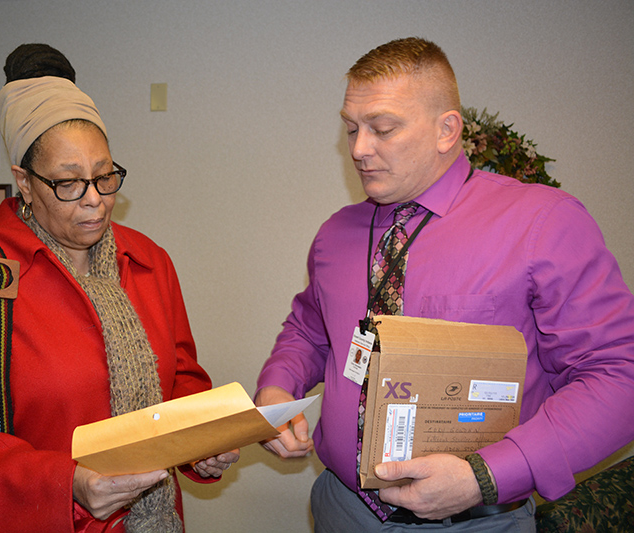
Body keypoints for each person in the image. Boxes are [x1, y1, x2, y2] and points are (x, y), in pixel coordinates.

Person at [255, 37, 634, 532]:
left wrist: (486, 475)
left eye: (382, 128)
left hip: (476, 521)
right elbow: (309, 328)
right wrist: (275, 391)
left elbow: (617, 375)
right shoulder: (336, 234)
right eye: (351, 128)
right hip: (341, 507)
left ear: (446, 130)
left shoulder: (542, 222)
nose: (359, 149)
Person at [0, 43, 238, 533]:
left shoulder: (148, 263)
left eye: (105, 177)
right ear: (24, 181)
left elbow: (181, 383)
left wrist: (202, 443)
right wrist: (68, 485)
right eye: (69, 183)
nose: (96, 202)